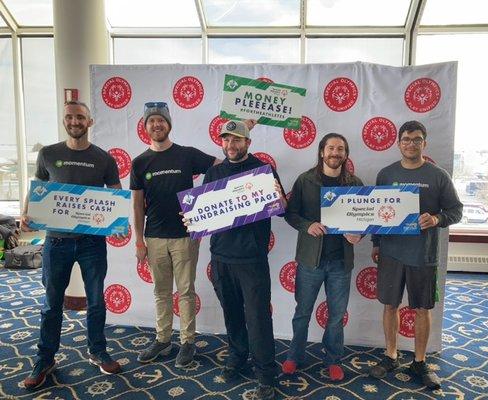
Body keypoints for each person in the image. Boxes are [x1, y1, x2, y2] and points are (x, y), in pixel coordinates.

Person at [22, 101, 123, 389]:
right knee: (52, 304)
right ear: (64, 120)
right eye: (69, 116)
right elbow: (38, 189)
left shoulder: (103, 158)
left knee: (96, 300)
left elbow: (115, 196)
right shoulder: (48, 154)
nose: (74, 121)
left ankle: (98, 350)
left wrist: (116, 223)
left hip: (92, 242)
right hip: (56, 242)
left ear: (89, 122)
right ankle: (45, 358)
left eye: (80, 117)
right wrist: (27, 214)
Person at [368, 120, 463, 390]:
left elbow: (456, 210)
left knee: (422, 308)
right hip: (390, 253)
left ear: (425, 143)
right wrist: (376, 243)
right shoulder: (385, 174)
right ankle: (390, 355)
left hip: (423, 255)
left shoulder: (438, 175)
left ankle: (419, 362)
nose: (411, 143)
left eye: (417, 139)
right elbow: (378, 212)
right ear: (398, 143)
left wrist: (436, 218)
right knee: (389, 305)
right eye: (406, 139)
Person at [198, 120, 286, 400]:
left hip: (251, 259)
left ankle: (266, 374)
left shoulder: (262, 170)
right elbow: (203, 214)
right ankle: (237, 356)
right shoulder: (213, 172)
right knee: (231, 312)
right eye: (226, 139)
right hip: (221, 256)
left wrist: (278, 197)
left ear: (248, 143)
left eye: (237, 140)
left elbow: (281, 209)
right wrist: (193, 217)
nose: (231, 145)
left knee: (258, 317)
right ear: (221, 142)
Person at [131, 102, 219, 367]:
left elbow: (219, 168)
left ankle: (188, 342)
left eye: (161, 121)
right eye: (151, 121)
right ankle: (163, 339)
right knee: (161, 292)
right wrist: (139, 240)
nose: (156, 125)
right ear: (145, 127)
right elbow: (137, 205)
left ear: (169, 124)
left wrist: (204, 210)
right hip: (154, 237)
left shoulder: (187, 155)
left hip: (185, 236)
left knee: (186, 291)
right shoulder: (139, 162)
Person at [282, 133, 364, 381]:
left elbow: (366, 219)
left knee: (337, 315)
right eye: (331, 148)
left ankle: (333, 359)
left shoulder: (356, 184)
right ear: (321, 151)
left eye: (340, 148)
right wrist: (307, 225)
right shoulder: (305, 180)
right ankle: (294, 356)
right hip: (310, 260)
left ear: (345, 154)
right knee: (302, 312)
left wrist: (358, 235)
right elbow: (290, 213)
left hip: (341, 261)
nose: (335, 153)